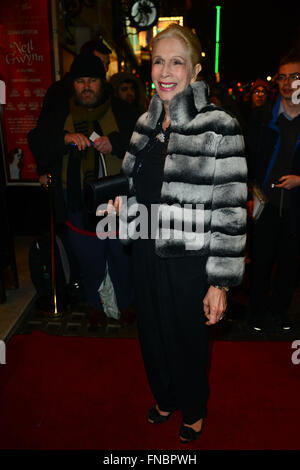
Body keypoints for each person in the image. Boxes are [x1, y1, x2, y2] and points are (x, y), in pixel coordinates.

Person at [105, 24, 247, 442]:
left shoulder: (219, 125)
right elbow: (133, 186)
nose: (165, 71)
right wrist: (120, 206)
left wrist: (220, 282)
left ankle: (194, 406)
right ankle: (165, 395)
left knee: (188, 339)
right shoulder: (144, 124)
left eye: (177, 62)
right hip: (146, 250)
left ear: (196, 70)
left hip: (192, 258)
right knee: (151, 332)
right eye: (158, 61)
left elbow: (231, 209)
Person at [28, 52, 139, 326]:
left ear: (102, 83)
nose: (86, 87)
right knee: (88, 255)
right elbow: (38, 138)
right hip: (76, 197)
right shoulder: (60, 110)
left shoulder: (123, 110)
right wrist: (64, 137)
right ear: (72, 85)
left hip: (117, 199)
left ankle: (126, 303)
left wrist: (115, 143)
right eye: (80, 81)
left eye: (92, 80)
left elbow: (145, 143)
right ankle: (95, 304)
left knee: (120, 253)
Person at [247, 49, 300, 332]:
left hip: (296, 205)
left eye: (295, 77)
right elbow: (247, 160)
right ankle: (255, 314)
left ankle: (279, 313)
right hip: (264, 203)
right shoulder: (262, 117)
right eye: (282, 77)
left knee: (290, 262)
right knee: (261, 261)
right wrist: (250, 195)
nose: (287, 83)